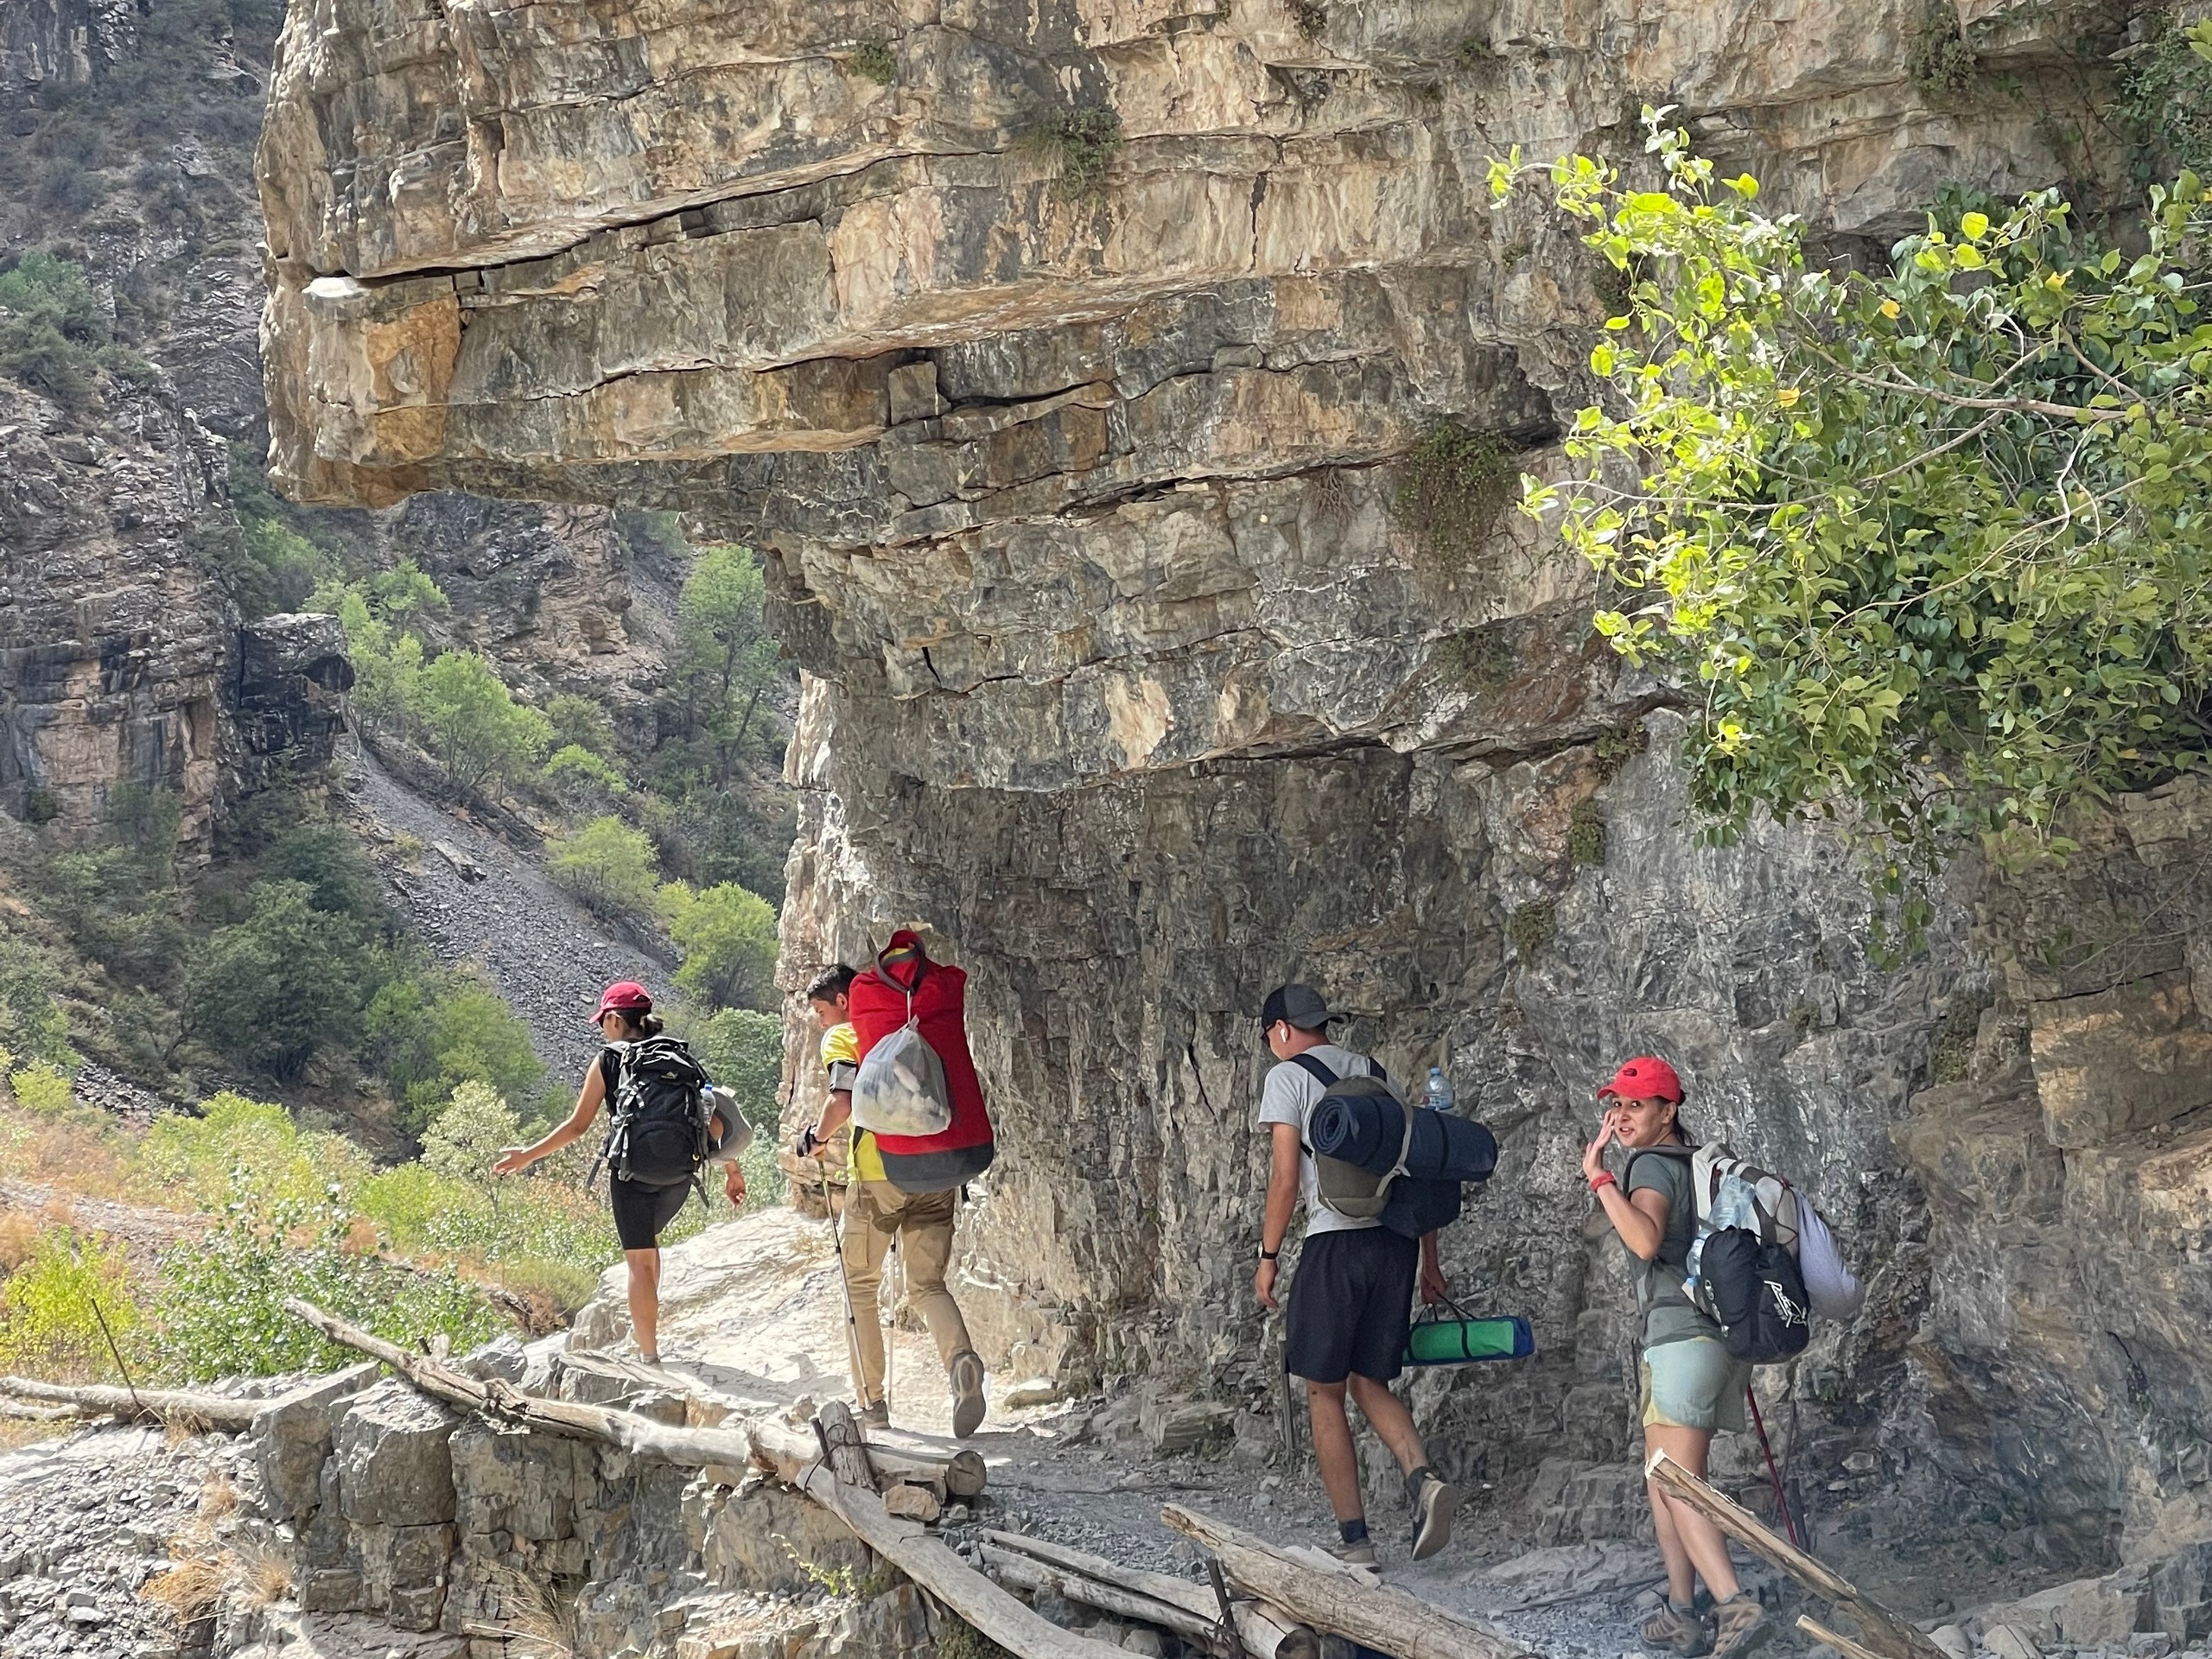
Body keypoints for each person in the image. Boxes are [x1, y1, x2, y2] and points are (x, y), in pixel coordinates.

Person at [1252, 983, 1461, 1567]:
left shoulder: (1286, 1077)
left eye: (1271, 1035)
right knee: (1372, 1382)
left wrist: (1268, 1258)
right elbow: (1417, 1172)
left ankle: (1357, 1543)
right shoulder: (1375, 1075)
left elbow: (1286, 1179)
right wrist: (1431, 1260)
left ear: (1283, 1031)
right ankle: (1423, 1481)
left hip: (1334, 1247)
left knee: (1325, 1391)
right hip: (1394, 1247)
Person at [1582, 1056, 1769, 1659]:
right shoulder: (1689, 1165)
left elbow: (1643, 1238)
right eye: (1616, 1104)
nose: (1621, 1115)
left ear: (1669, 1110)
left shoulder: (1653, 1169)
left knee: (1680, 1485)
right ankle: (1683, 1613)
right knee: (1662, 1481)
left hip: (1684, 1341)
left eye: (1636, 1105)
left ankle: (1732, 1603)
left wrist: (1601, 1179)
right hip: (1700, 1341)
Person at [493, 981, 745, 1365]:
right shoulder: (677, 1057)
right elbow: (713, 1115)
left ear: (614, 1019)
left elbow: (578, 1126)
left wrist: (528, 1155)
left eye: (603, 1021)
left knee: (640, 1262)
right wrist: (732, 1170)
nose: (601, 1029)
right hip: (679, 1173)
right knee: (650, 1249)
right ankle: (647, 1331)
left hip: (632, 1175)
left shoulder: (608, 1060)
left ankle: (648, 1355)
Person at [803, 958, 987, 1437]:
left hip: (880, 1174)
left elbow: (842, 1098)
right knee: (926, 1284)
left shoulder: (846, 1035)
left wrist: (816, 1138)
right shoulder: (920, 1024)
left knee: (859, 1285)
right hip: (938, 1169)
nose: (822, 1023)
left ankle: (873, 1404)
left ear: (845, 1001)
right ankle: (961, 1363)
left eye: (822, 1012)